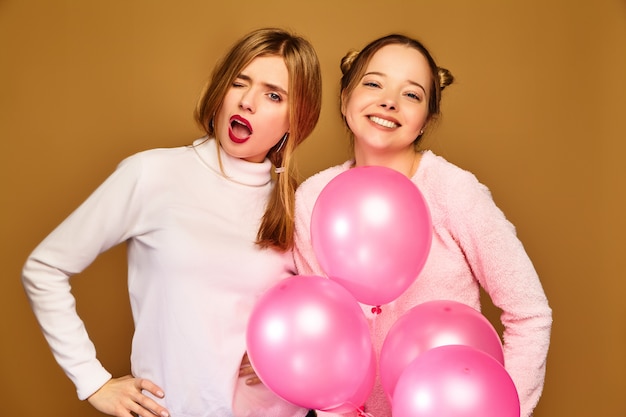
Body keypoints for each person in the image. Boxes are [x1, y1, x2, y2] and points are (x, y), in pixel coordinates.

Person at [22, 27, 322, 417]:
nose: (247, 102)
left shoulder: (301, 206)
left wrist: (284, 354)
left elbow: (332, 318)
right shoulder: (153, 174)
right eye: (239, 82)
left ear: (296, 120)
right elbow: (43, 268)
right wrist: (92, 380)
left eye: (273, 95)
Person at [293, 34, 552, 417]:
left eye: (411, 94)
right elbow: (320, 335)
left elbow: (530, 312)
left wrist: (502, 408)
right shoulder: (313, 199)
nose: (389, 101)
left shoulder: (453, 191)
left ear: (427, 118)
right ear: (345, 96)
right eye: (373, 83)